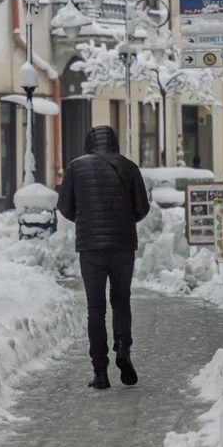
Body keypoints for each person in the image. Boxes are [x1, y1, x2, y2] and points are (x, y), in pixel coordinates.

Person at [57, 125, 150, 390]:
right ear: (114, 142)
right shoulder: (129, 167)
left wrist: (87, 220)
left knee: (95, 309)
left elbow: (65, 207)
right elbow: (142, 208)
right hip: (123, 245)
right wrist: (122, 219)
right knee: (122, 301)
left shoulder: (75, 167)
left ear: (89, 143)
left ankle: (100, 372)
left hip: (90, 248)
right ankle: (123, 349)